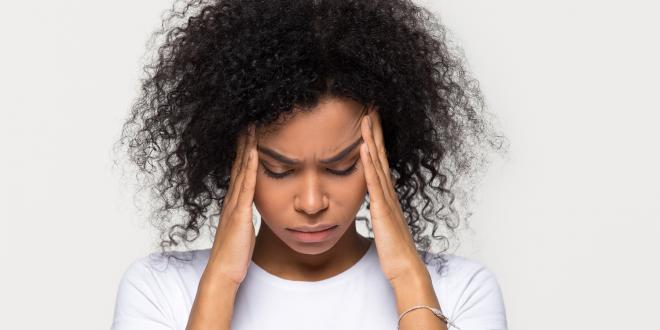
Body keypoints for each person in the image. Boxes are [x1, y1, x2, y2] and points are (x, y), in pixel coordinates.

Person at [111, 0, 508, 329]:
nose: (313, 202)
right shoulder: (160, 290)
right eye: (278, 170)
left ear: (384, 157)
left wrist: (407, 275)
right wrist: (219, 284)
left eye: (342, 167)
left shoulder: (460, 291)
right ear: (233, 159)